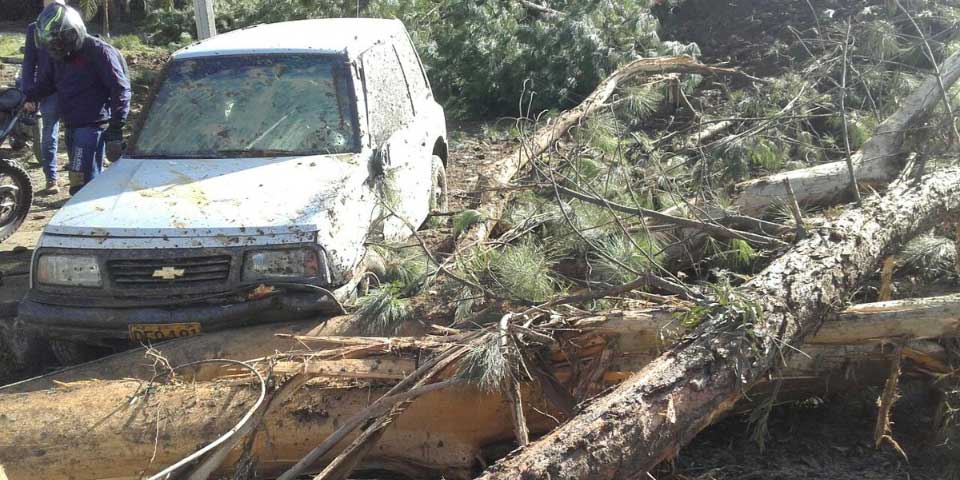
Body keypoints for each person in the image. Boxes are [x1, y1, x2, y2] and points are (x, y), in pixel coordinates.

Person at [28, 2, 131, 195]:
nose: (55, 47)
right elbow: (47, 83)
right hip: (72, 125)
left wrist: (116, 128)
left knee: (81, 185)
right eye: (51, 44)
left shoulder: (99, 51)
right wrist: (28, 96)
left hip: (92, 126)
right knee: (83, 180)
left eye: (58, 42)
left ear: (71, 33)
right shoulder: (58, 54)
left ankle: (90, 218)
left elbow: (121, 89)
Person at [21, 0, 64, 195]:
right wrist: (28, 93)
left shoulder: (72, 24)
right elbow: (29, 63)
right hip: (47, 90)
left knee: (76, 133)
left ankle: (79, 177)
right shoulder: (33, 29)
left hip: (74, 88)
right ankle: (51, 178)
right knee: (49, 133)